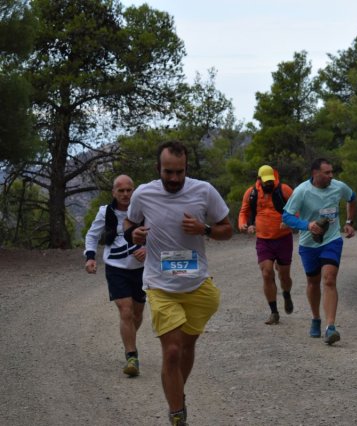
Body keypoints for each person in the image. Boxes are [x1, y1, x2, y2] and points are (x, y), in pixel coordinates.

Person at [125, 141, 232, 426]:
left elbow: (227, 230)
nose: (174, 178)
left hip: (196, 285)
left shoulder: (204, 191)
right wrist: (134, 235)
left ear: (186, 168)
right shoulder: (143, 193)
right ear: (158, 168)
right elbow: (129, 225)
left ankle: (177, 393)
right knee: (172, 351)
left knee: (186, 347)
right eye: (168, 172)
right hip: (160, 286)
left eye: (179, 172)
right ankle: (177, 414)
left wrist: (204, 229)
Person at [281, 158, 356, 345]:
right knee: (313, 282)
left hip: (332, 240)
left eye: (332, 172)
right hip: (309, 243)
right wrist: (307, 225)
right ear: (315, 173)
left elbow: (352, 198)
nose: (331, 176)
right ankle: (315, 318)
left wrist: (349, 222)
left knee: (329, 279)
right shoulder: (302, 191)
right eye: (327, 172)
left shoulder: (338, 187)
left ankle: (330, 327)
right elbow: (287, 217)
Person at [84, 174, 146, 377]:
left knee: (137, 314)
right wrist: (90, 257)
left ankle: (129, 339)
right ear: (113, 192)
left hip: (141, 268)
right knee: (126, 311)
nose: (125, 194)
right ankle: (131, 356)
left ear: (134, 191)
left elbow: (159, 233)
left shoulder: (144, 209)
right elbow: (92, 235)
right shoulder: (106, 212)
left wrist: (147, 249)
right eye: (121, 191)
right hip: (115, 267)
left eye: (129, 190)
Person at [238, 165, 295, 325]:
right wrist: (243, 224)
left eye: (271, 181)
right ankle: (274, 312)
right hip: (263, 240)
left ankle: (286, 293)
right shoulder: (251, 193)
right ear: (259, 180)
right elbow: (244, 212)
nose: (269, 184)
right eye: (266, 182)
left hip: (283, 238)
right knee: (267, 273)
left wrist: (291, 222)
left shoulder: (284, 189)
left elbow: (297, 208)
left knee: (284, 275)